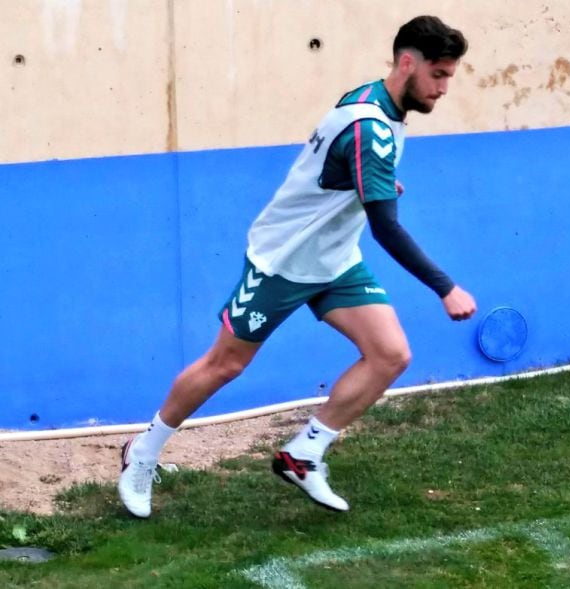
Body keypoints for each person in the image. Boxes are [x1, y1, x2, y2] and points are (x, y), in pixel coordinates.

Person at [119, 15, 476, 518]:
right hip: (283, 261)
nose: (442, 89)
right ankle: (143, 452)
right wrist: (445, 287)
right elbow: (387, 229)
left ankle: (304, 452)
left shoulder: (372, 99)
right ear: (407, 63)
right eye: (438, 75)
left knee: (390, 354)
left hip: (334, 258)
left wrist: (369, 183)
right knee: (227, 364)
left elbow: (337, 167)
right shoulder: (370, 129)